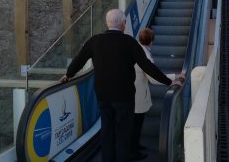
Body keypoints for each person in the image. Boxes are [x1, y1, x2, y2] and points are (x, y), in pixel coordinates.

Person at [61, 9, 182, 162]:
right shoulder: (129, 42)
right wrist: (169, 81)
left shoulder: (95, 40)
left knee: (107, 131)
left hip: (103, 95)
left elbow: (79, 59)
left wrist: (68, 75)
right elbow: (147, 66)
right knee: (123, 134)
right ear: (123, 24)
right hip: (124, 97)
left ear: (107, 23)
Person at [131, 28, 185, 160]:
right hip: (137, 94)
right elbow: (153, 78)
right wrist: (173, 78)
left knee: (134, 124)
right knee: (136, 124)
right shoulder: (145, 55)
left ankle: (135, 146)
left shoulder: (135, 48)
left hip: (131, 91)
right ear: (151, 41)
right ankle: (133, 151)